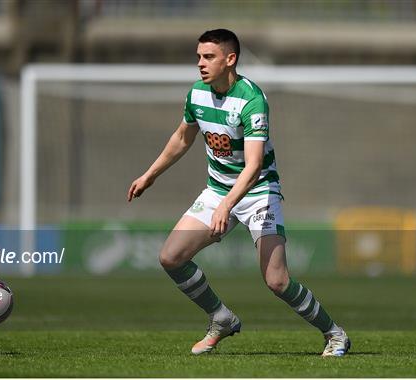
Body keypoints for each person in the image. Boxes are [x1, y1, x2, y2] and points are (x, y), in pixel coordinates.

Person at [127, 29, 350, 357]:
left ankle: (335, 334)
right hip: (218, 190)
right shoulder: (196, 94)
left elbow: (255, 165)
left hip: (258, 191)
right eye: (199, 57)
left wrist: (227, 205)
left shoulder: (252, 99)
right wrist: (150, 175)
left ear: (230, 59)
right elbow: (181, 138)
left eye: (209, 57)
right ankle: (221, 318)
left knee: (277, 280)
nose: (200, 64)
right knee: (171, 257)